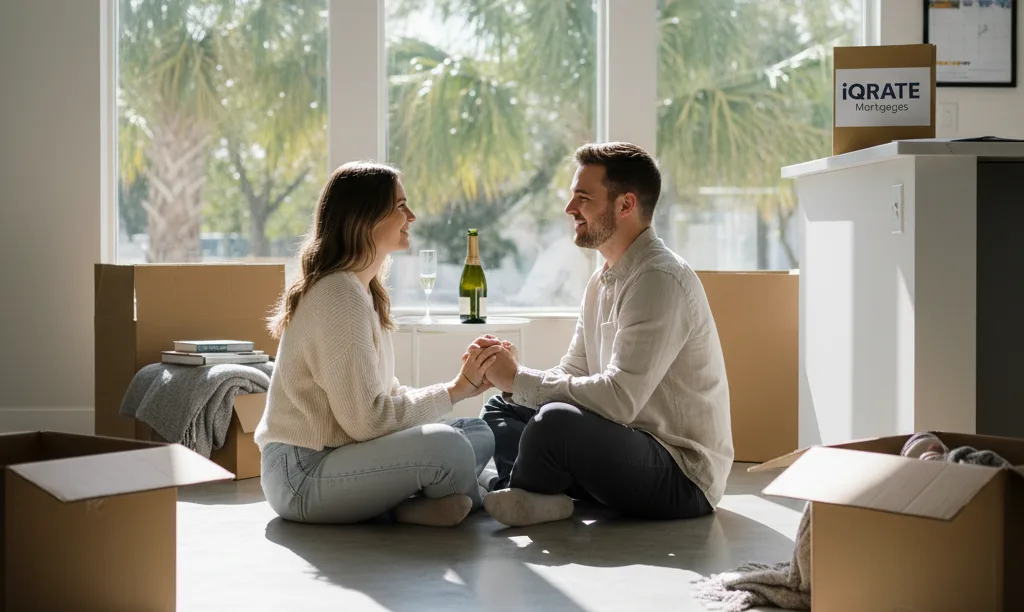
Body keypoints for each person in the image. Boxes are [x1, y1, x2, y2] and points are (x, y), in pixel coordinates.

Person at [471, 142, 735, 527]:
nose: (569, 208)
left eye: (583, 198)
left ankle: (508, 489)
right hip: (622, 445)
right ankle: (529, 495)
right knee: (503, 405)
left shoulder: (659, 279)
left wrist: (520, 379)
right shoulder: (601, 280)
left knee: (555, 422)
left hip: (681, 474)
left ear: (625, 205)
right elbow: (574, 370)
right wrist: (514, 378)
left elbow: (620, 400)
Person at [254, 161, 502, 528]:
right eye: (400, 206)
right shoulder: (338, 295)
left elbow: (386, 394)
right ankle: (494, 498)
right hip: (302, 475)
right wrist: (454, 390)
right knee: (448, 445)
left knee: (475, 432)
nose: (411, 216)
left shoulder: (363, 291)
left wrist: (459, 389)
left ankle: (407, 508)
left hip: (344, 457)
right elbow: (367, 421)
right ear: (365, 218)